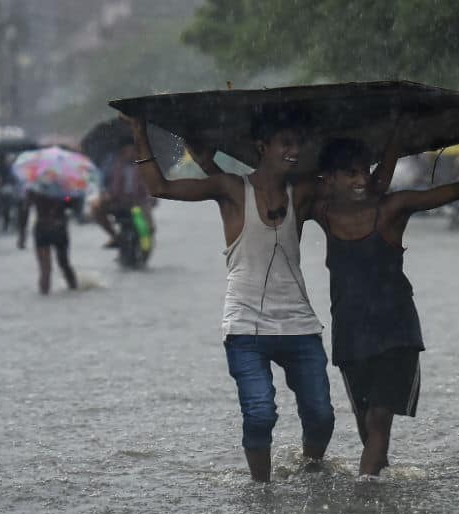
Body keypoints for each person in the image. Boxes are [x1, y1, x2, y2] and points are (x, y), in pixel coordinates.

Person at [125, 108, 335, 482]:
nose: (294, 151)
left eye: (298, 144)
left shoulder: (301, 191)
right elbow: (160, 187)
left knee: (321, 416)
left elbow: (357, 186)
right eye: (285, 143)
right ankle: (261, 490)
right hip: (246, 327)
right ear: (262, 146)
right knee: (259, 414)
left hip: (300, 324)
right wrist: (140, 130)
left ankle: (313, 474)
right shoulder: (231, 189)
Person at [310, 97, 459, 476]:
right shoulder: (321, 213)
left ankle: (364, 501)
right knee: (367, 425)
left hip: (395, 333)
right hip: (351, 337)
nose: (359, 180)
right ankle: (379, 501)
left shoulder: (392, 209)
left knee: (380, 420)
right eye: (348, 173)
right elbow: (267, 189)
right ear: (328, 179)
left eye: (362, 171)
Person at [91, 139, 156, 249]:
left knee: (149, 228)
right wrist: (104, 193)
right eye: (128, 151)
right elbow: (102, 181)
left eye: (133, 150)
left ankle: (145, 248)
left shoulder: (145, 164)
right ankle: (115, 236)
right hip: (116, 199)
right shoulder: (111, 163)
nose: (131, 153)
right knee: (95, 209)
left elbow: (151, 184)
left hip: (139, 201)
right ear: (122, 151)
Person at [17, 190, 78, 294]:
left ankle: (43, 299)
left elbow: (25, 210)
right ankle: (74, 290)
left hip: (42, 228)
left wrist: (22, 235)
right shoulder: (63, 187)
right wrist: (66, 198)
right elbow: (70, 206)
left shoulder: (34, 189)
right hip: (59, 228)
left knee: (45, 269)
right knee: (64, 264)